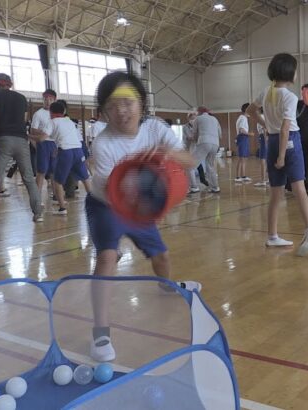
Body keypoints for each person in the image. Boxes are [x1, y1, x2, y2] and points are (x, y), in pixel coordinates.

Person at [86, 71, 201, 362]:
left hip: (138, 206)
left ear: (141, 104)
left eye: (128, 103)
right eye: (113, 106)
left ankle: (166, 284)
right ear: (104, 112)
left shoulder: (155, 129)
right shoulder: (103, 144)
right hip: (106, 205)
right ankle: (100, 331)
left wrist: (165, 152)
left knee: (161, 257)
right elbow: (115, 192)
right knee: (107, 257)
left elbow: (191, 160)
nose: (121, 111)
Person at [246, 53, 308, 256]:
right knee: (299, 187)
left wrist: (266, 124)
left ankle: (272, 236)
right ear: (290, 72)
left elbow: (251, 111)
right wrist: (283, 156)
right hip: (288, 142)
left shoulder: (266, 92)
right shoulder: (290, 97)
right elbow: (286, 128)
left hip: (273, 141)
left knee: (276, 193)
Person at [0, 73, 43, 229]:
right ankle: (38, 214)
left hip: (3, 139)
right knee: (28, 178)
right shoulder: (21, 98)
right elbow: (23, 119)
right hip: (21, 140)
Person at [47, 101, 92, 214]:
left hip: (66, 152)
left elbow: (44, 136)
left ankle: (62, 208)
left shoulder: (53, 122)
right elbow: (68, 137)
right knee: (85, 179)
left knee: (57, 181)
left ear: (51, 112)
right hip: (78, 150)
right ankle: (94, 204)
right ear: (64, 112)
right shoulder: (69, 122)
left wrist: (31, 135)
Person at [30, 89, 58, 201]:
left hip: (55, 144)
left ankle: (57, 195)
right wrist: (45, 134)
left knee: (54, 172)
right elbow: (33, 130)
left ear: (54, 100)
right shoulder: (38, 114)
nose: (48, 101)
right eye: (46, 99)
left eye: (50, 99)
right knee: (41, 171)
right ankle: (37, 198)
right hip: (44, 144)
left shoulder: (57, 114)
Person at [188, 106, 221, 194]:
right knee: (210, 166)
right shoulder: (214, 119)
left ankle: (194, 187)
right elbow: (220, 133)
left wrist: (193, 140)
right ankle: (215, 187)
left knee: (189, 165)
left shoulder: (198, 119)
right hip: (215, 144)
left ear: (199, 112)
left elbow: (195, 134)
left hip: (204, 142)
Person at [234, 103, 251, 182]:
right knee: (241, 158)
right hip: (242, 138)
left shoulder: (243, 118)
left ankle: (243, 176)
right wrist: (249, 134)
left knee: (243, 158)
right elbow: (241, 130)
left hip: (243, 138)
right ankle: (237, 177)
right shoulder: (243, 118)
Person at [255, 109, 268, 187]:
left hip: (263, 137)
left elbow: (264, 129)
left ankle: (263, 180)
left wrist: (265, 139)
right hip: (265, 137)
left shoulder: (261, 117)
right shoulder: (266, 117)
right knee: (266, 159)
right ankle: (268, 179)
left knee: (262, 159)